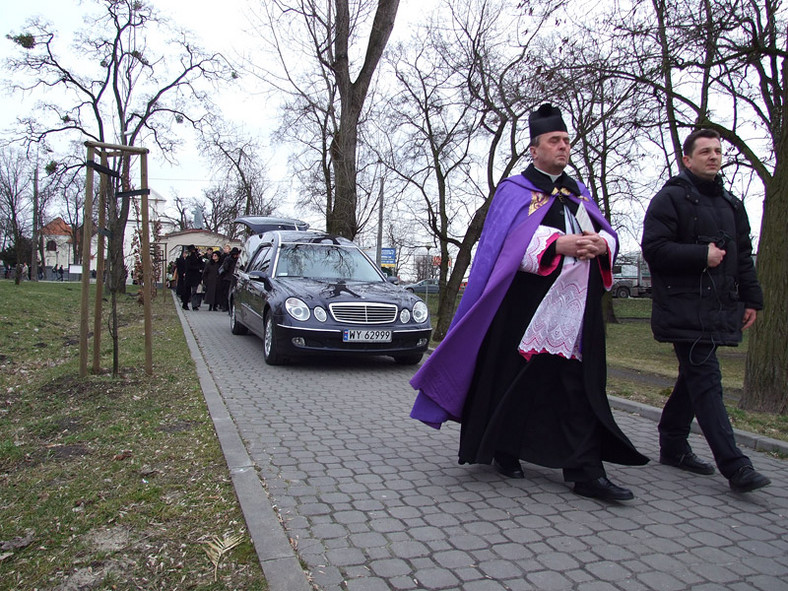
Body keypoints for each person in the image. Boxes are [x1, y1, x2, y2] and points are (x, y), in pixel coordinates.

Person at [410, 103, 648, 501]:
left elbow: (608, 232)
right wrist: (559, 243)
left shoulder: (578, 193)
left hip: (574, 309)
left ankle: (586, 472)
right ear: (534, 149)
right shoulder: (514, 191)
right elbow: (503, 246)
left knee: (577, 385)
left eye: (567, 141)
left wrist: (600, 243)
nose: (563, 147)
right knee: (515, 381)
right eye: (554, 141)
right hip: (523, 307)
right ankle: (505, 449)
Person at [641, 128, 770, 493]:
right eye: (705, 152)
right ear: (687, 159)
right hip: (683, 307)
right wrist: (702, 255)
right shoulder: (669, 199)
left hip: (717, 306)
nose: (713, 157)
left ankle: (673, 442)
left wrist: (752, 298)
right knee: (707, 379)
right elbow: (654, 249)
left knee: (695, 378)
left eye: (717, 151)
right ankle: (735, 466)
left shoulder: (731, 203)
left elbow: (743, 255)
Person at [218, 247, 240, 312]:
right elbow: (225, 268)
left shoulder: (238, 260)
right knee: (226, 293)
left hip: (233, 278)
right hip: (227, 278)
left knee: (231, 294)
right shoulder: (228, 259)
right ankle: (225, 306)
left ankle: (228, 307)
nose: (235, 256)